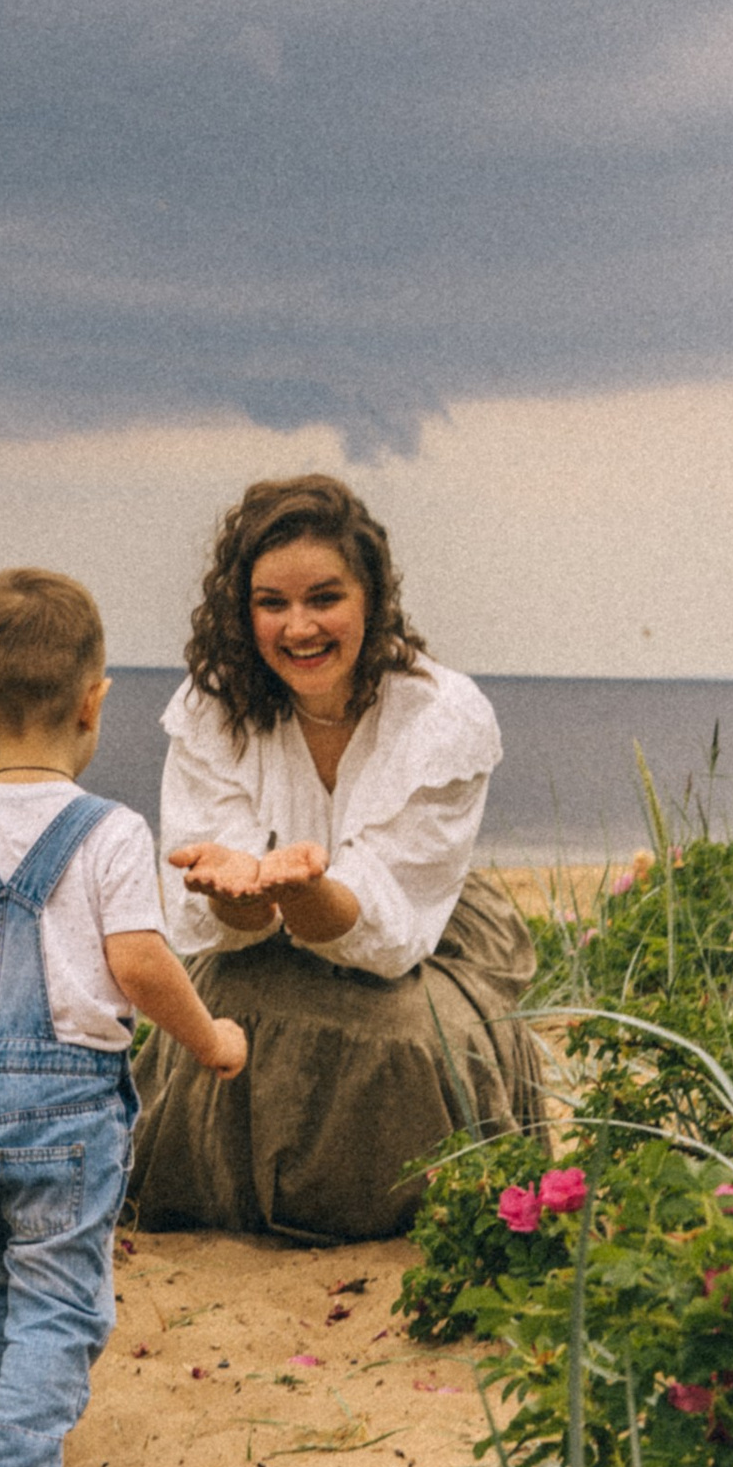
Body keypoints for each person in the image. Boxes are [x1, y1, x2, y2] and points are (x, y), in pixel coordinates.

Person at [0, 566, 246, 1467]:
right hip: (64, 1109)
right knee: (65, 1295)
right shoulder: (111, 833)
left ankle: (11, 1422)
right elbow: (142, 963)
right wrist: (211, 1043)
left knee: (10, 1273)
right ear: (95, 700)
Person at [131, 474, 548, 1240]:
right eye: (272, 603)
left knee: (413, 1043)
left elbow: (390, 925)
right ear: (241, 608)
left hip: (420, 926)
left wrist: (307, 890)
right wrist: (243, 894)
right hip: (255, 929)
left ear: (372, 600)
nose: (299, 628)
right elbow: (212, 909)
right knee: (219, 1019)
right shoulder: (214, 705)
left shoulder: (441, 715)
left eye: (325, 598)